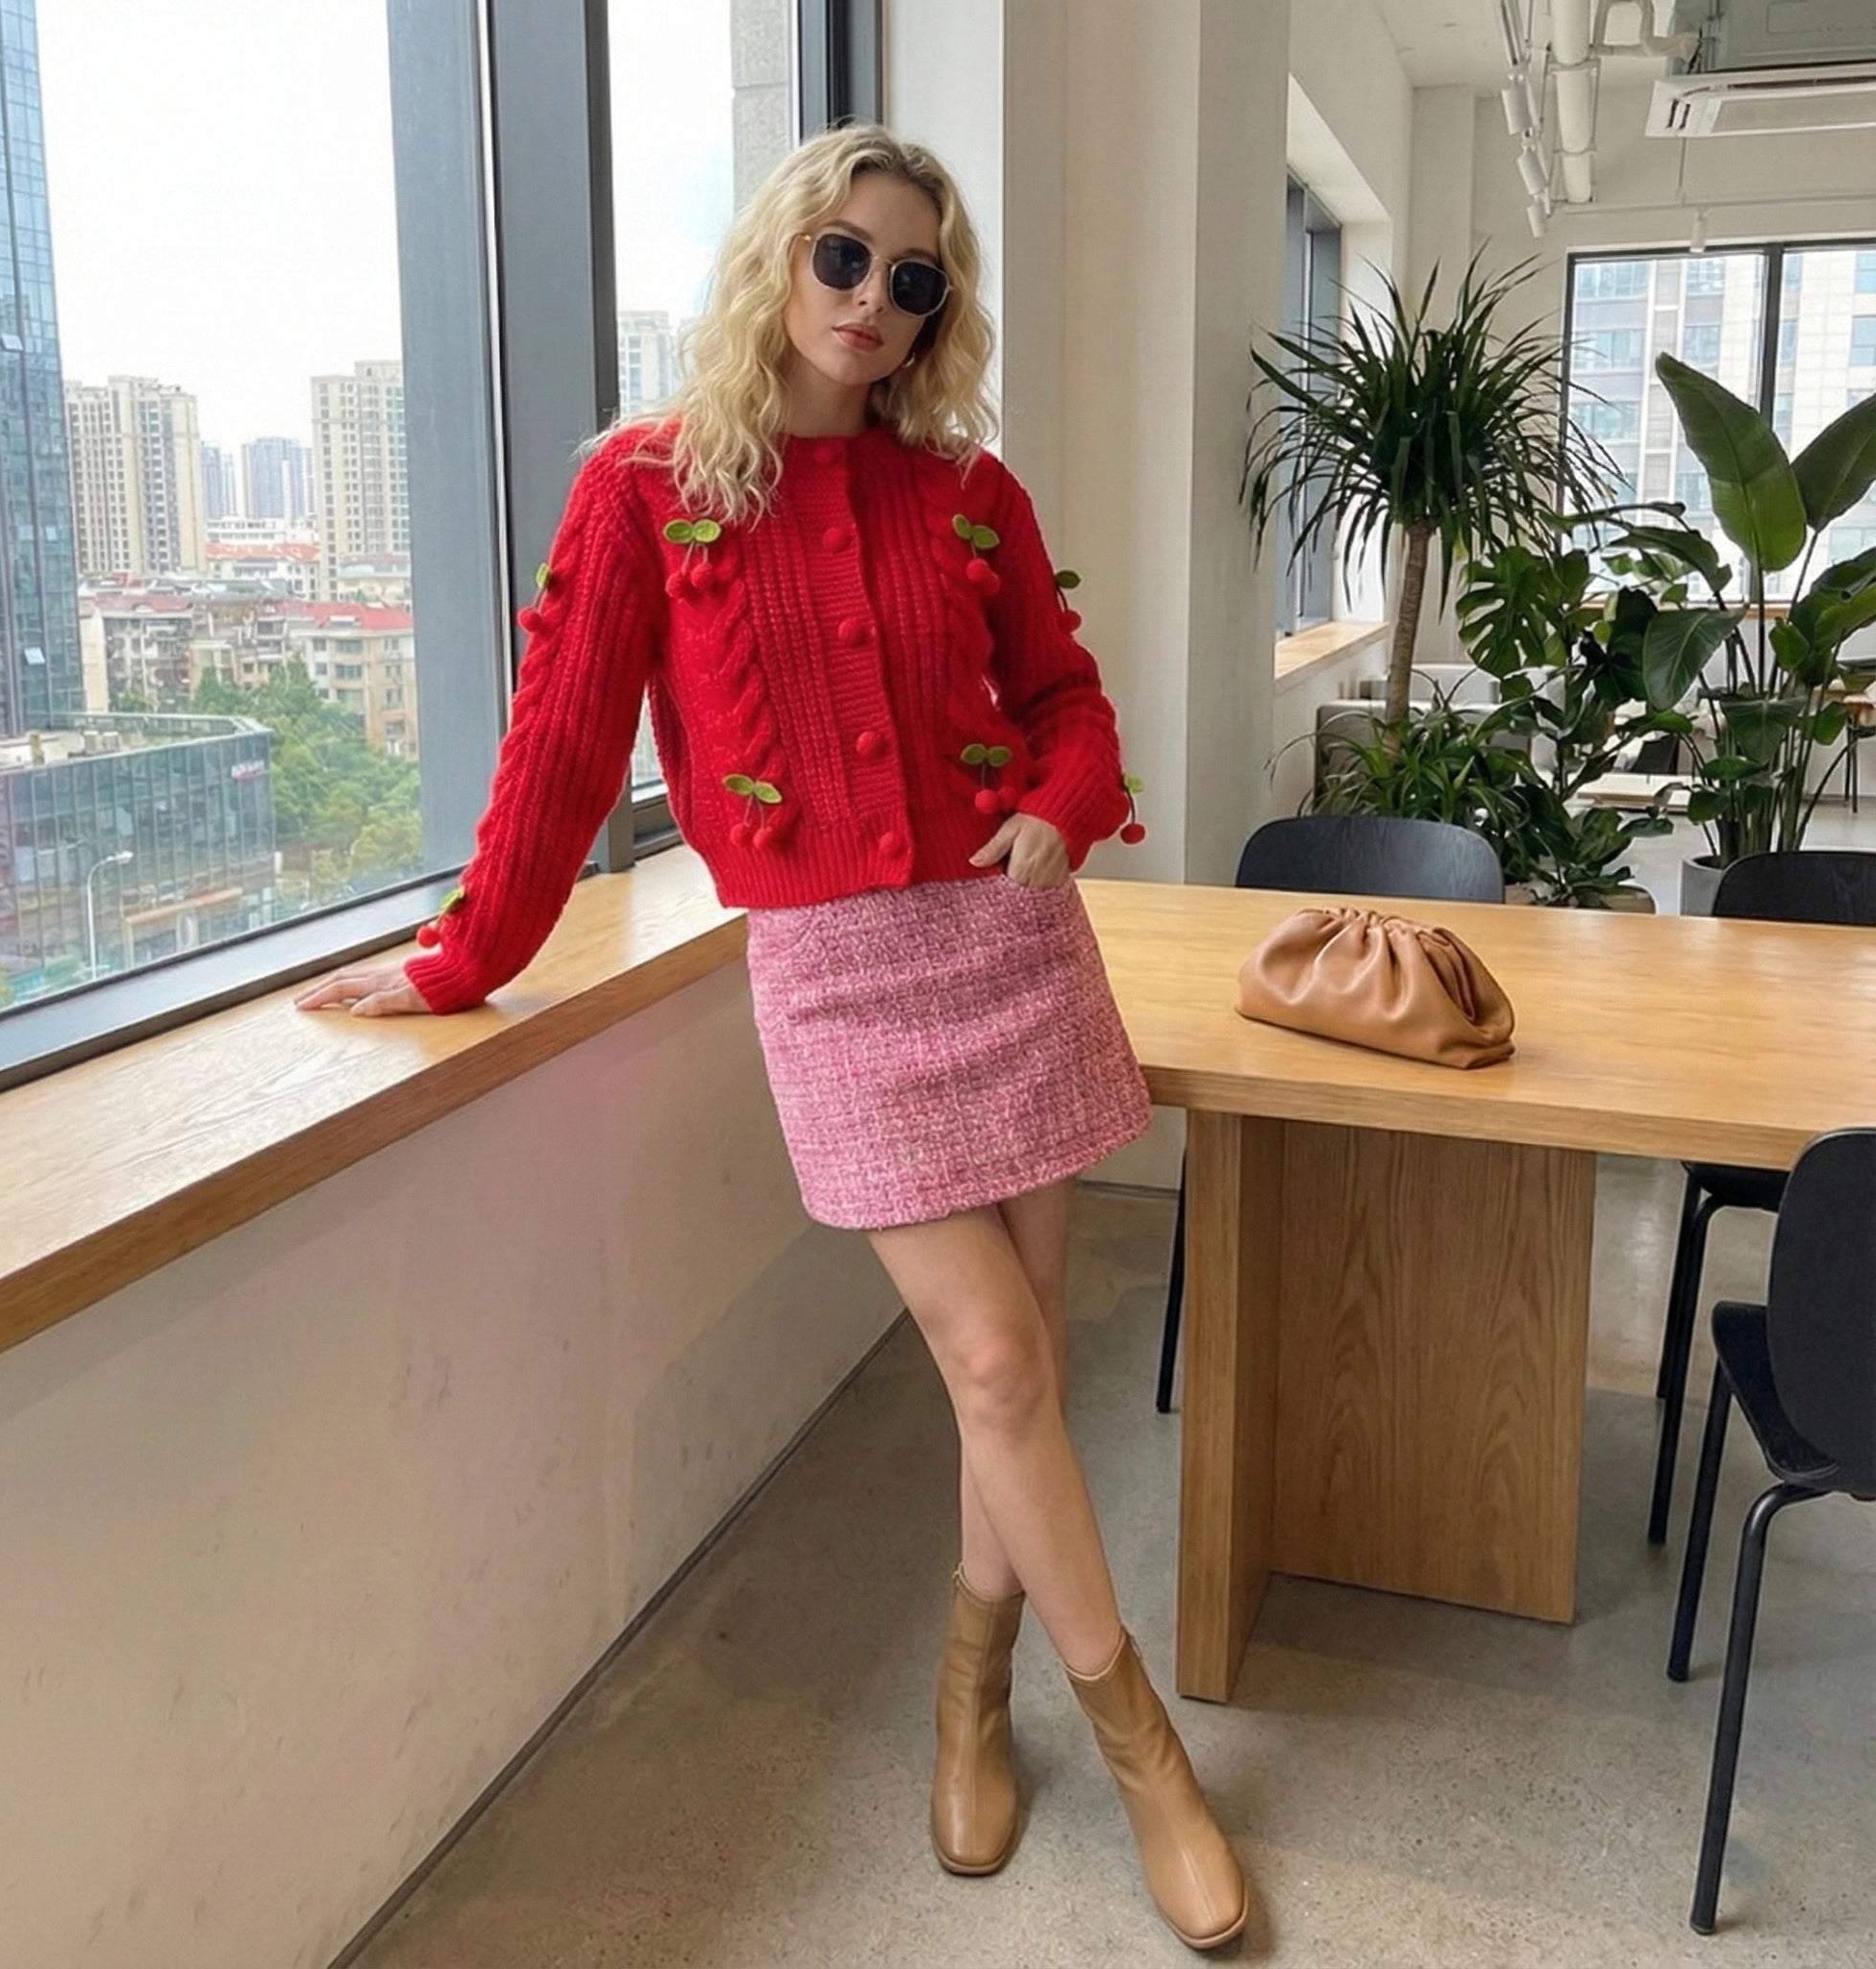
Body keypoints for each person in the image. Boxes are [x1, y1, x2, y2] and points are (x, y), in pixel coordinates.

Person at [294, 122, 1248, 1953]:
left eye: (915, 280)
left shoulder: (973, 492)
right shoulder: (645, 488)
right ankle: (1144, 1754)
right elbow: (564, 751)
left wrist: (1063, 798)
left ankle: (970, 1691)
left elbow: (1066, 695)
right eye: (845, 258)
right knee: (994, 1369)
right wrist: (459, 957)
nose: (875, 304)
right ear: (776, 257)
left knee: (1024, 1365)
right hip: (833, 977)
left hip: (1011, 944)